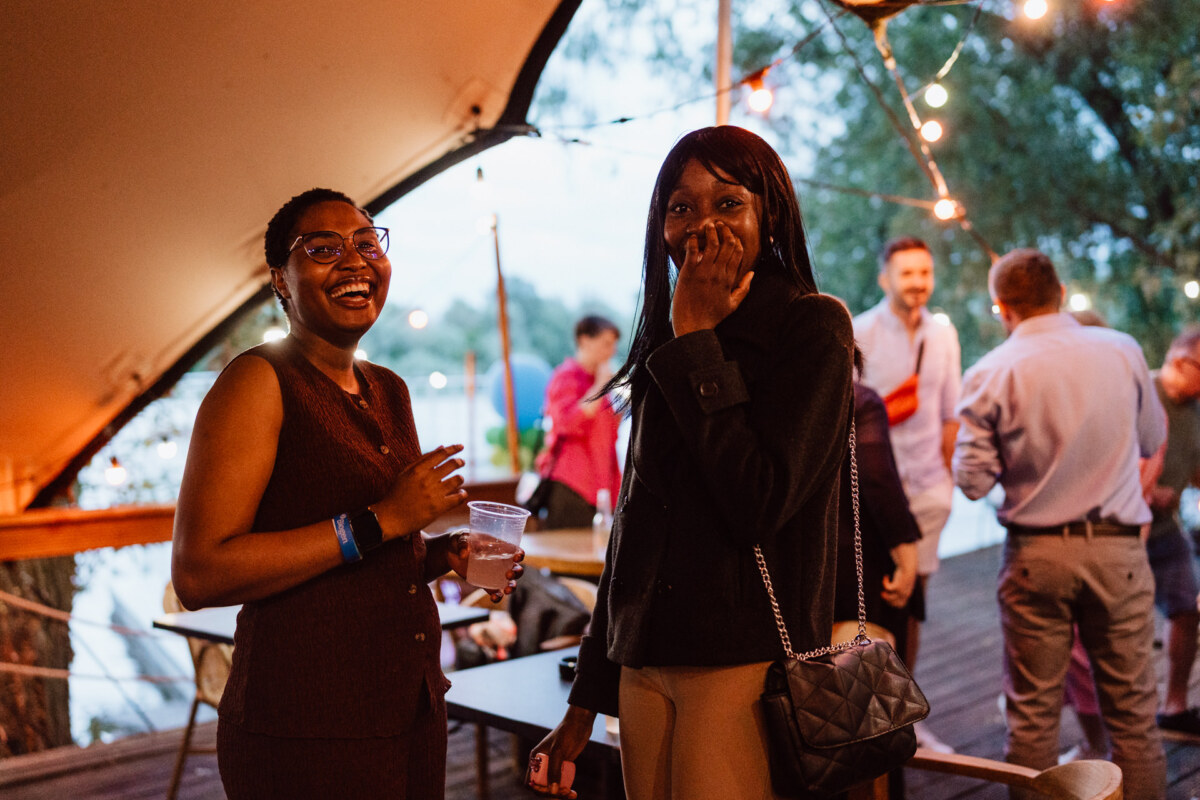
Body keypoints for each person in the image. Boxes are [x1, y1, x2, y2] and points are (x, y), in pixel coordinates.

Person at [527, 126, 855, 800]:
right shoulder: (663, 340)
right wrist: (586, 699)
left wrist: (700, 340)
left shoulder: (812, 327)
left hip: (743, 658)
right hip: (644, 660)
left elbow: (758, 501)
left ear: (771, 214)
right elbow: (633, 528)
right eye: (681, 207)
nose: (703, 224)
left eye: (728, 203)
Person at [171, 188, 523, 799]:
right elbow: (200, 575)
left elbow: (381, 551)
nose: (356, 261)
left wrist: (443, 554)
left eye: (367, 243)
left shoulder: (389, 389)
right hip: (305, 730)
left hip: (410, 710)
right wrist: (382, 519)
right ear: (280, 278)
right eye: (324, 249)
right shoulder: (258, 382)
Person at [954, 248, 1167, 799]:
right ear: (1061, 293)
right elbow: (1149, 440)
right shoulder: (1122, 350)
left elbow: (971, 480)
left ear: (1003, 307)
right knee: (1135, 725)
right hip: (1118, 552)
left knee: (1032, 719)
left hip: (1036, 556)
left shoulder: (991, 371)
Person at [852, 235, 961, 752]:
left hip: (929, 491)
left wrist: (947, 479)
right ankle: (877, 718)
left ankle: (907, 717)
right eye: (907, 273)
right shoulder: (861, 330)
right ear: (885, 278)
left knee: (915, 603)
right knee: (879, 603)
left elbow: (949, 413)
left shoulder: (943, 335)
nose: (918, 282)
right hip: (876, 495)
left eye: (925, 272)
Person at [1141, 329, 1200, 737]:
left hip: (1166, 530)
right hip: (1123, 530)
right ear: (1180, 361)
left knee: (1186, 609)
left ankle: (1174, 708)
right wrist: (1143, 490)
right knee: (1123, 627)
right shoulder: (1140, 391)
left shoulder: (1196, 411)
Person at [833, 382, 920, 655]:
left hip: (794, 572)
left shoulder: (766, 393)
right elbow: (875, 477)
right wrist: (905, 552)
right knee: (872, 681)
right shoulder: (856, 400)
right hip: (859, 564)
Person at [534, 315, 623, 528]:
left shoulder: (598, 382)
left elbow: (611, 432)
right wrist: (602, 385)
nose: (611, 351)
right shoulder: (566, 376)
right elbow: (567, 423)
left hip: (602, 485)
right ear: (584, 341)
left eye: (613, 345)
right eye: (606, 344)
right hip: (571, 483)